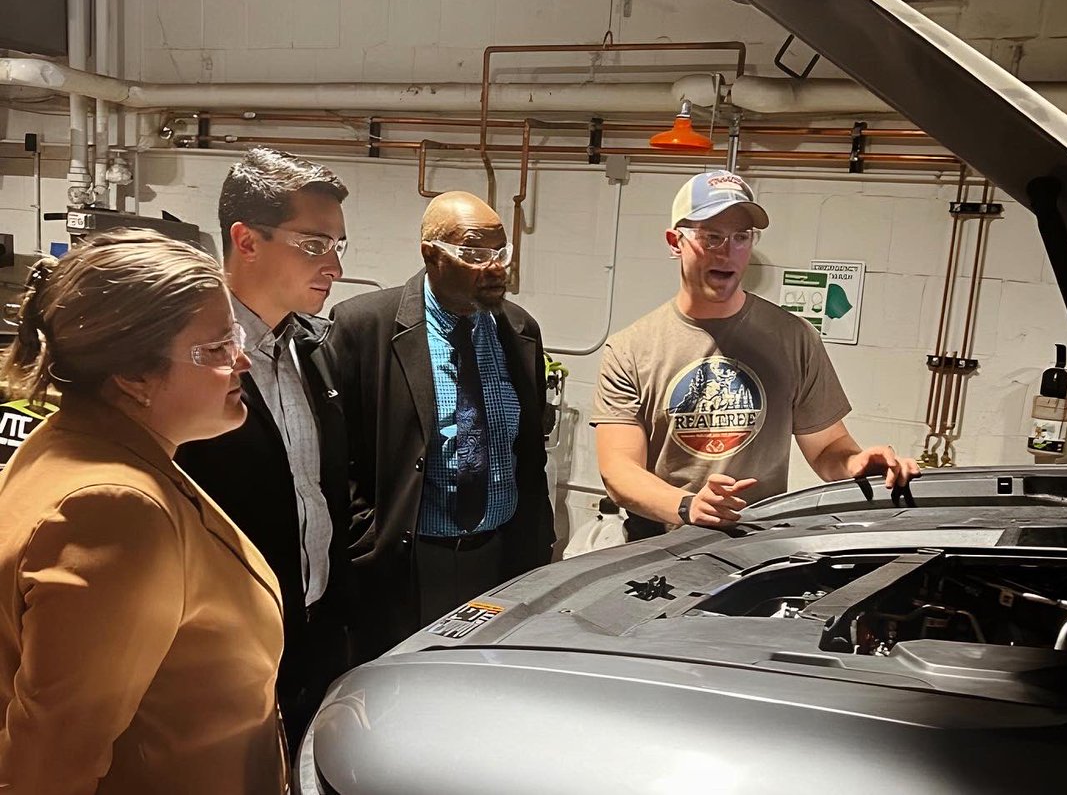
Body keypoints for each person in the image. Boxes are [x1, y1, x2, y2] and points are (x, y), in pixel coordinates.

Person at [0, 230, 287, 794]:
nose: (243, 361)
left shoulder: (80, 442)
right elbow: (51, 767)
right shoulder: (114, 510)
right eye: (215, 350)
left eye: (234, 335)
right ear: (133, 376)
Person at [593, 170, 921, 540]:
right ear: (675, 242)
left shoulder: (792, 337)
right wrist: (687, 506)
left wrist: (856, 463)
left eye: (740, 237)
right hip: (658, 545)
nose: (727, 250)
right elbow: (619, 470)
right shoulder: (631, 349)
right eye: (711, 237)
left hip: (756, 542)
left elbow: (827, 447)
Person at [175, 147, 354, 755]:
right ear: (246, 241)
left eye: (337, 246)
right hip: (222, 643)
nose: (332, 265)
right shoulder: (189, 356)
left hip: (312, 623)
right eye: (314, 244)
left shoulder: (317, 348)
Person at [328, 191, 553, 657]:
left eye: (501, 252)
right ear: (431, 254)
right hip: (406, 560)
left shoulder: (520, 329)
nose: (495, 268)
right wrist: (366, 532)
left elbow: (528, 450)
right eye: (474, 253)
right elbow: (335, 453)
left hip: (500, 556)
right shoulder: (364, 325)